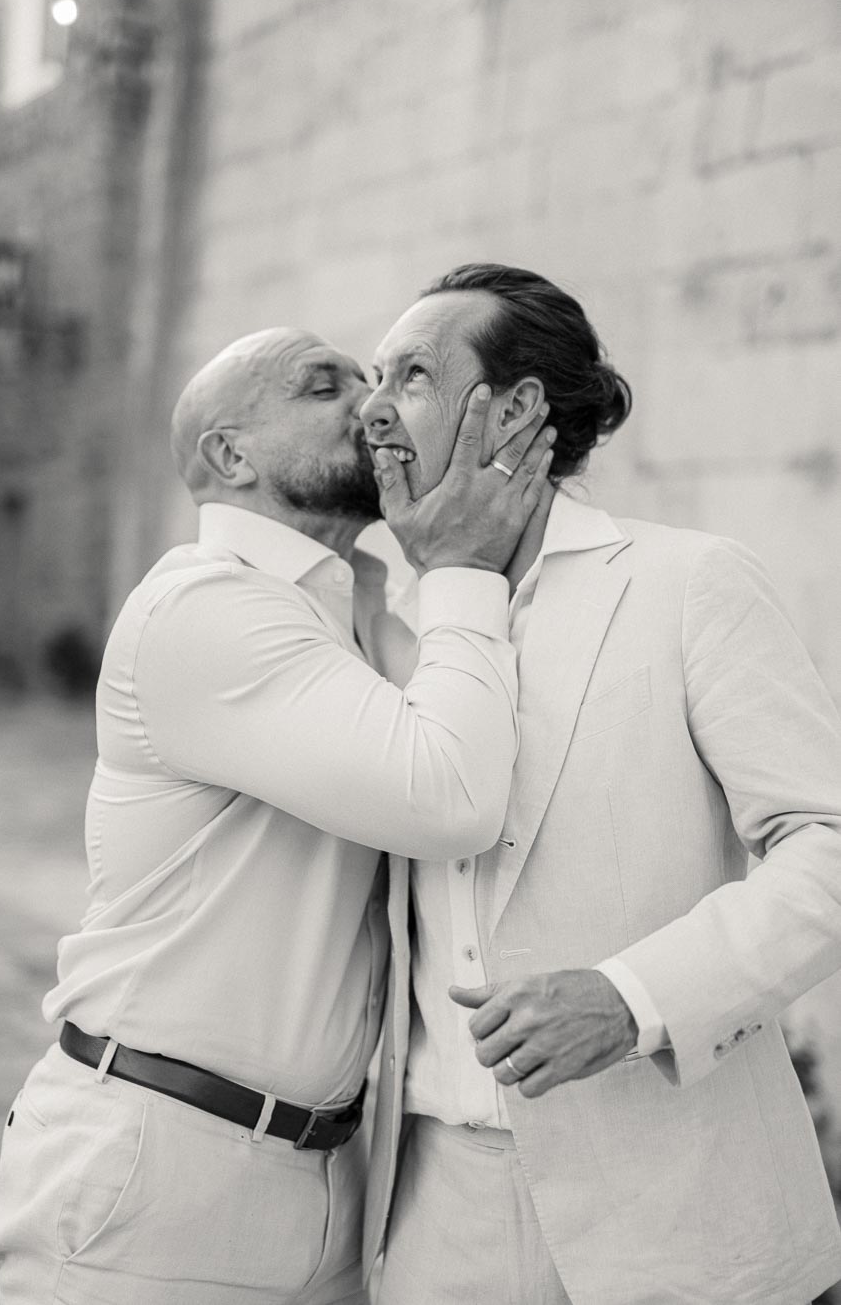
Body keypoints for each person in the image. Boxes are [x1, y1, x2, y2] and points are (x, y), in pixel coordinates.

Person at [0, 326, 557, 1305]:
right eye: (323, 386)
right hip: (157, 1173)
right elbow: (450, 795)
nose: (372, 404)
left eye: (378, 380)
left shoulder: (350, 611)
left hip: (326, 1179)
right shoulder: (208, 608)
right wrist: (464, 563)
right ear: (231, 455)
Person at [360, 263, 841, 1305]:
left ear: (518, 408)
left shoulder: (687, 583)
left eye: (411, 376)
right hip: (435, 1221)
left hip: (678, 1207)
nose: (374, 407)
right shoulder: (380, 620)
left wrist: (635, 1000)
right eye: (370, 375)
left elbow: (827, 850)